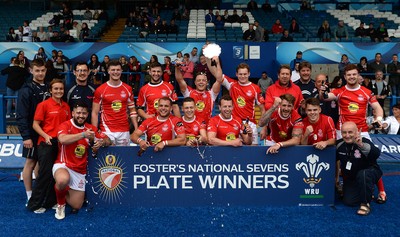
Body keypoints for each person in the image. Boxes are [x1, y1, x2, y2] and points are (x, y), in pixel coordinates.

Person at [53, 102, 110, 220]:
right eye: (78, 113)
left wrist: (102, 142)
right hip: (63, 165)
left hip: (79, 170)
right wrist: (83, 135)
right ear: (73, 113)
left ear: (87, 114)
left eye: (84, 113)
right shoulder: (65, 125)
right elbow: (62, 139)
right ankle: (60, 204)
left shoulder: (91, 128)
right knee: (63, 180)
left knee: (77, 205)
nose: (81, 115)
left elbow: (108, 140)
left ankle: (62, 189)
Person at [27, 79, 71, 213]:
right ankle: (34, 204)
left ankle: (51, 202)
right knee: (45, 173)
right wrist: (46, 136)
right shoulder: (43, 105)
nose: (59, 91)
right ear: (50, 90)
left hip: (60, 143)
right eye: (56, 89)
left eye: (61, 89)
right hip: (46, 143)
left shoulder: (66, 106)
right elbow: (35, 124)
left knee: (55, 174)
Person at [17, 59, 50, 206]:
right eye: (37, 70)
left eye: (42, 70)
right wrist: (26, 136)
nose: (40, 73)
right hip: (31, 133)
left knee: (40, 163)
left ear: (46, 71)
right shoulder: (26, 90)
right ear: (31, 71)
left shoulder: (49, 87)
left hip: (46, 132)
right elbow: (21, 115)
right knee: (30, 162)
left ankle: (39, 192)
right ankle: (29, 195)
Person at [336, 121, 383, 216]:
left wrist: (361, 145)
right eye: (344, 132)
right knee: (349, 202)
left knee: (363, 174)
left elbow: (376, 154)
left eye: (350, 132)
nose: (347, 135)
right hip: (353, 178)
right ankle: (367, 191)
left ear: (357, 132)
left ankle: (365, 204)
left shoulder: (364, 141)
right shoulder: (339, 145)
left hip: (370, 172)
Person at [91, 60, 139, 146]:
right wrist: (94, 131)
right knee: (108, 158)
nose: (115, 72)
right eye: (113, 70)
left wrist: (136, 128)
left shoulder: (128, 89)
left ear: (121, 71)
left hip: (124, 130)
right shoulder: (100, 90)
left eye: (118, 70)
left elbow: (132, 110)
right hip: (107, 131)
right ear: (108, 71)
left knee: (123, 158)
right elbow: (95, 112)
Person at [218, 63, 265, 145]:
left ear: (249, 74)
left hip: (250, 124)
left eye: (245, 74)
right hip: (234, 123)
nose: (242, 76)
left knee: (253, 153)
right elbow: (218, 75)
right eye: (240, 74)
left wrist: (264, 127)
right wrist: (214, 59)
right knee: (235, 150)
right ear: (236, 74)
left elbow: (262, 109)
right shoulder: (232, 85)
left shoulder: (255, 88)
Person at [175, 55, 222, 123]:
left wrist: (217, 63)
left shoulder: (211, 94)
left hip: (206, 128)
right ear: (195, 82)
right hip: (191, 129)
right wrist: (177, 68)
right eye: (199, 80)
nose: (201, 82)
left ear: (207, 83)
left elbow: (219, 80)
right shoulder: (189, 93)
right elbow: (180, 80)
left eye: (203, 80)